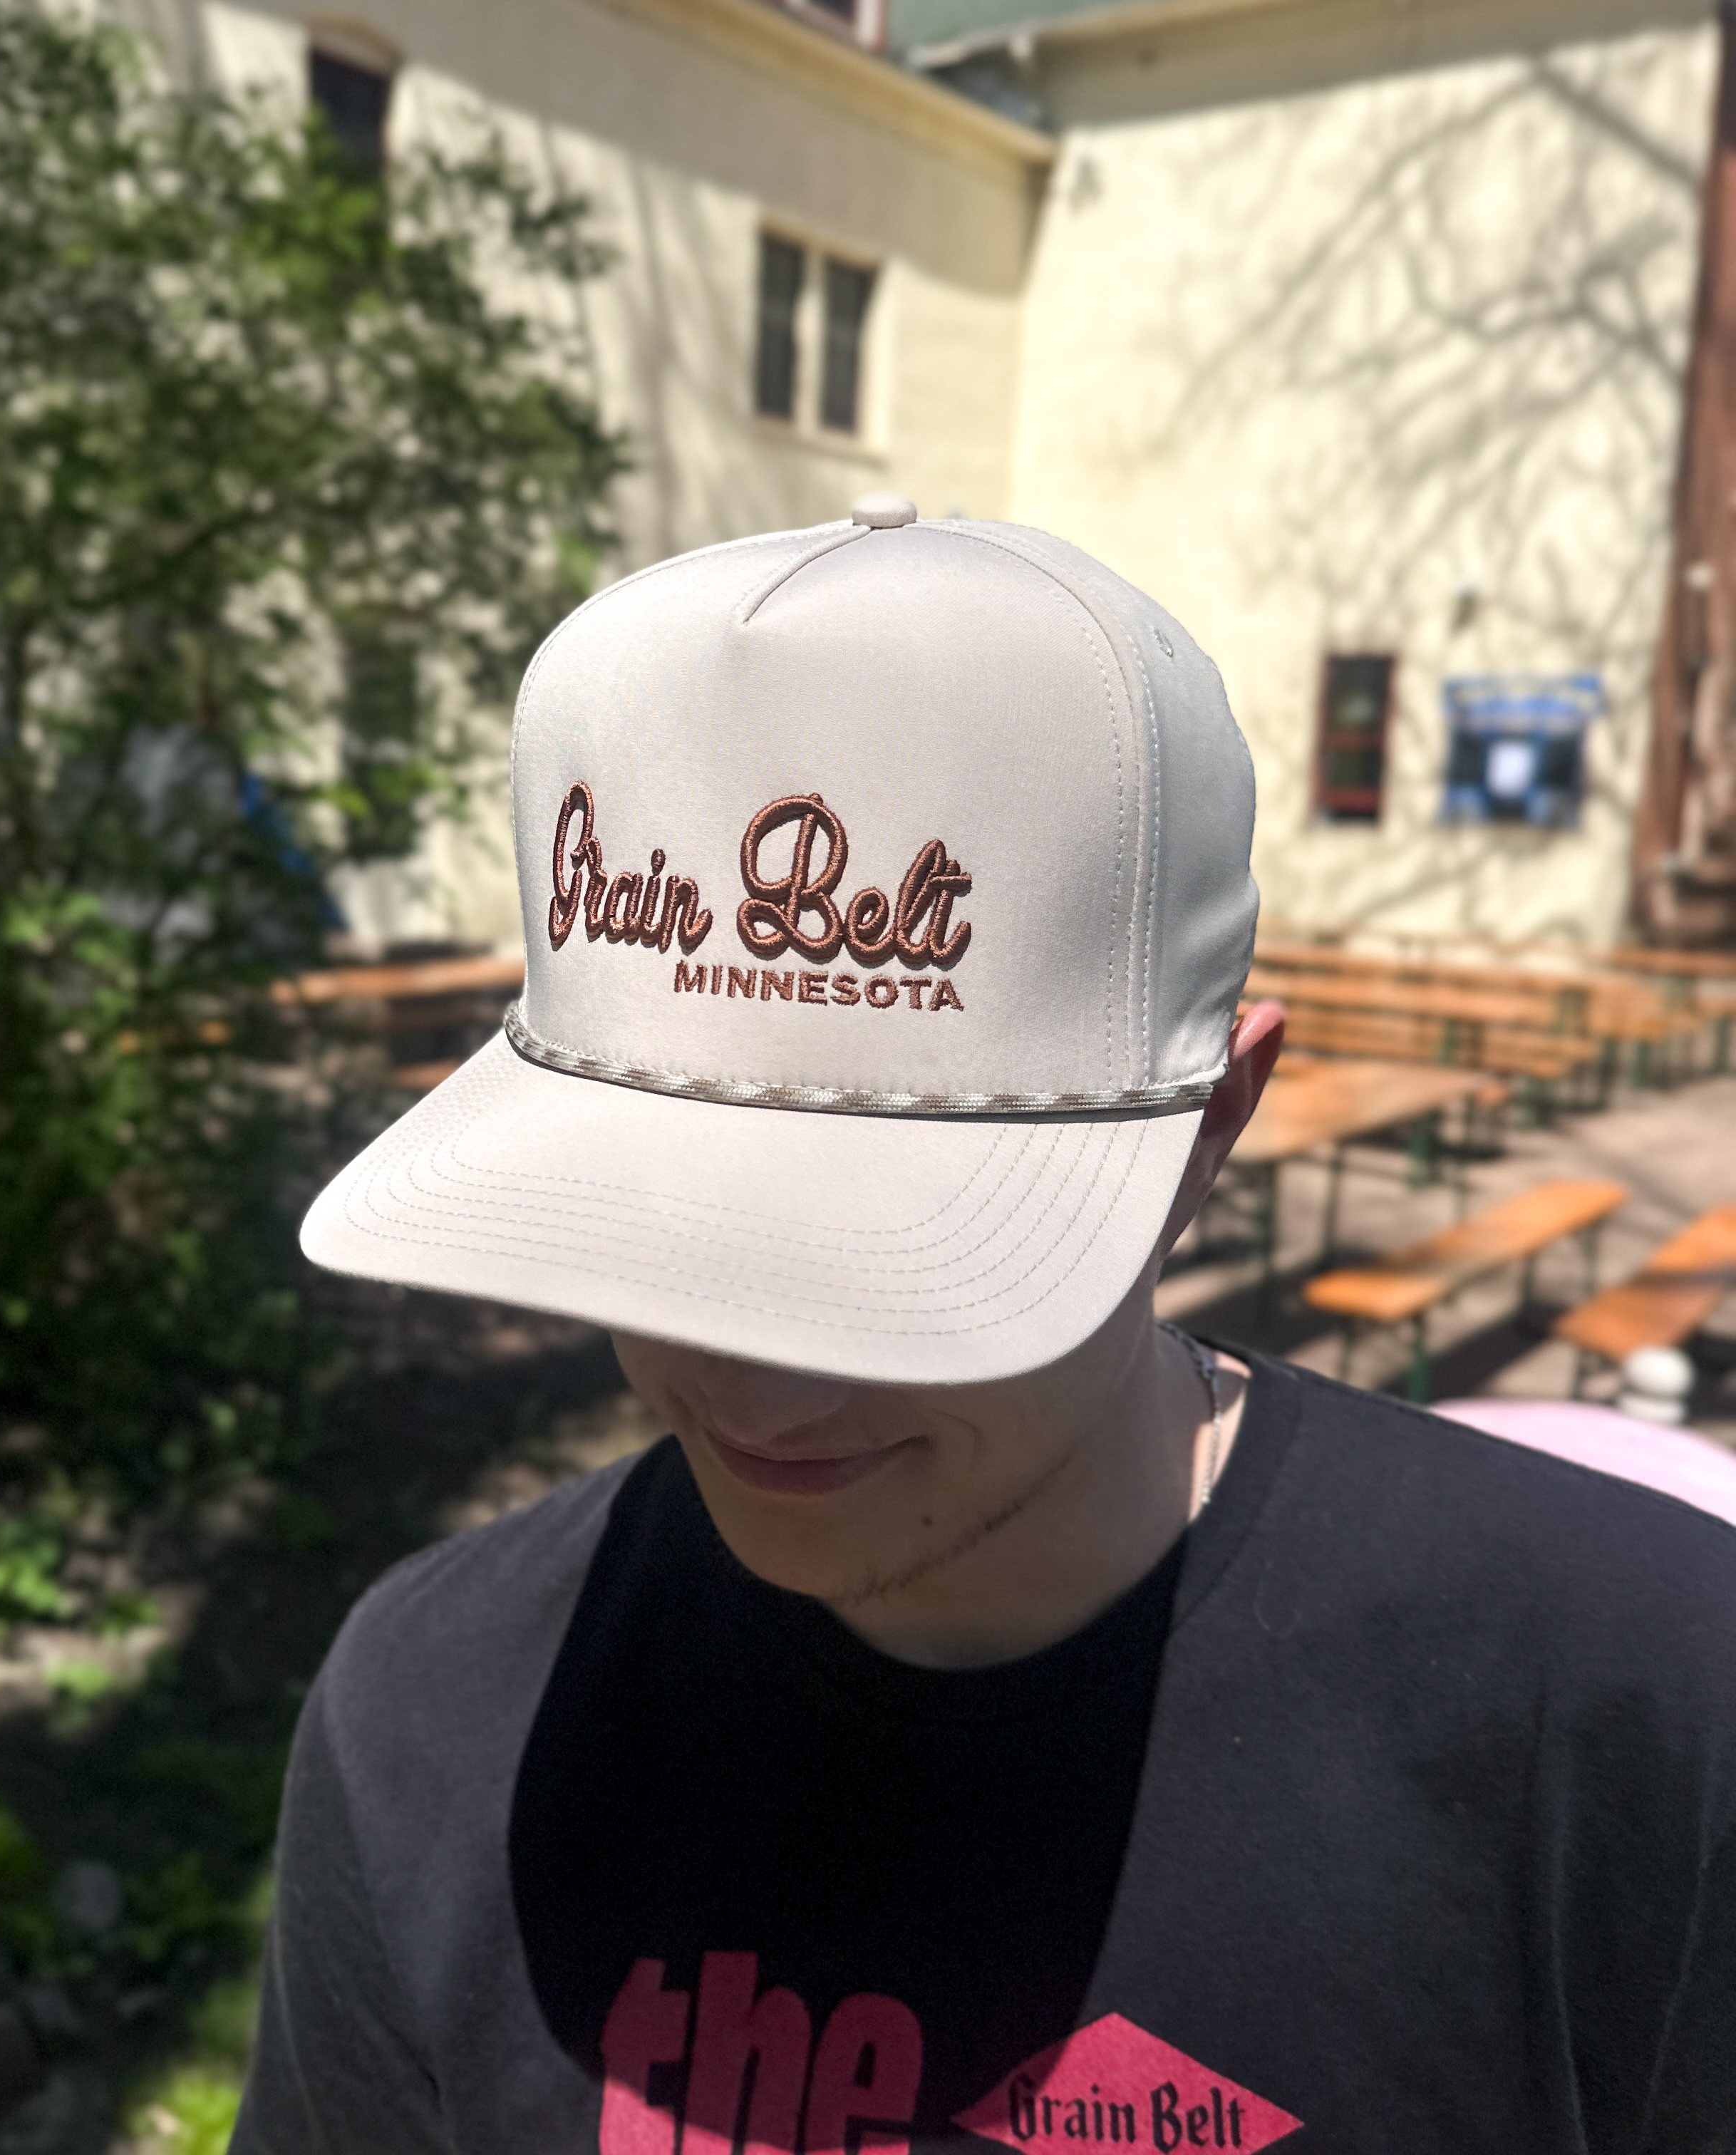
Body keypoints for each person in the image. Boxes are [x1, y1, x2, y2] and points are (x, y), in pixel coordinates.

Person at [238, 497, 1736, 2154]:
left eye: (896, 1265)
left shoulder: (1645, 1717)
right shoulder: (434, 1715)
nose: (748, 1381)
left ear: (1215, 1125)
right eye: (650, 1226)